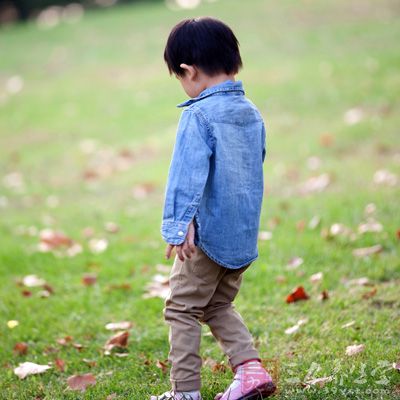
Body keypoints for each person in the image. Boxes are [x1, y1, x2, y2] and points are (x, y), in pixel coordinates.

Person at [151, 17, 276, 400]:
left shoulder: (197, 115)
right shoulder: (252, 112)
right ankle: (250, 370)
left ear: (189, 71)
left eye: (179, 78)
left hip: (205, 238)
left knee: (182, 308)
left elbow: (185, 175)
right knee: (217, 302)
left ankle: (184, 391)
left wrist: (179, 225)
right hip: (241, 235)